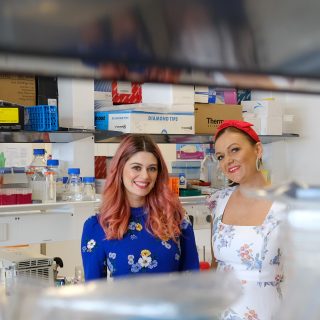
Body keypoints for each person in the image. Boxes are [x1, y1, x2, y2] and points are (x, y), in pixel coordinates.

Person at [81, 134, 199, 280]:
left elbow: (192, 281)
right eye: (136, 167)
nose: (145, 176)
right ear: (120, 169)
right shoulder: (97, 226)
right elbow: (95, 294)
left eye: (152, 169)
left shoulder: (176, 219)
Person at [208, 120, 285, 320]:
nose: (228, 161)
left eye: (235, 150)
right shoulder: (218, 201)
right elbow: (216, 264)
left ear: (258, 150)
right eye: (221, 156)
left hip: (266, 312)